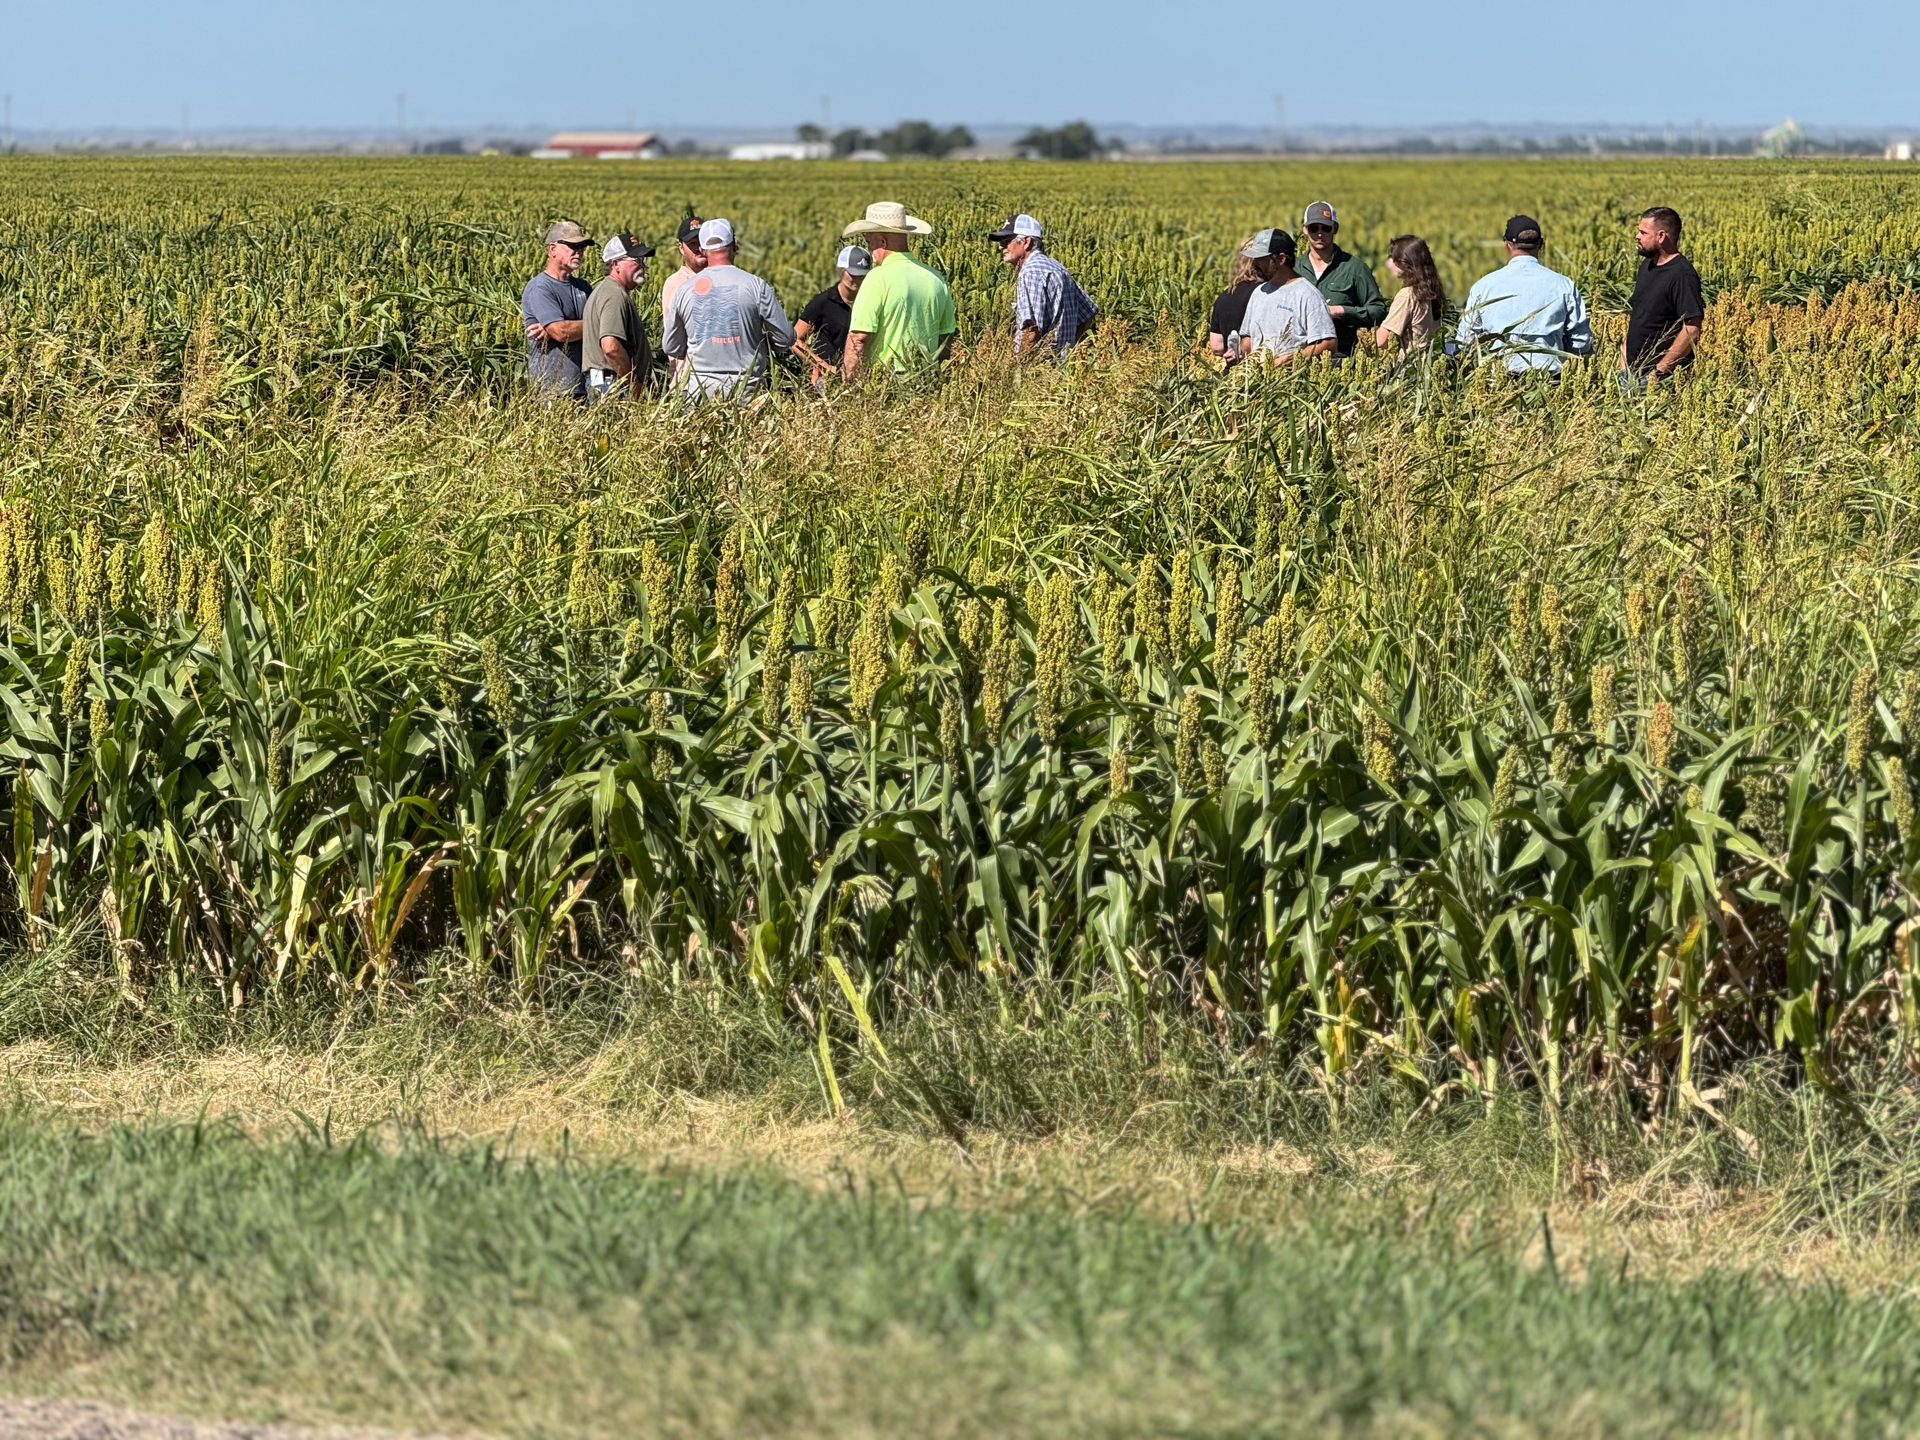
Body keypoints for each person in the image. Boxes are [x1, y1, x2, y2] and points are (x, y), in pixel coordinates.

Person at [660, 218, 796, 400]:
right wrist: (759, 342)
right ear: (735, 244)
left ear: (702, 249)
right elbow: (785, 338)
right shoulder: (756, 285)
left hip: (699, 394)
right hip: (747, 392)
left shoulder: (684, 289)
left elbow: (671, 346)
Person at [1455, 216, 1593, 374]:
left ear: (1507, 245)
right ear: (1541, 245)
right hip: (1551, 380)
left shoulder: (1484, 286)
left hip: (1499, 382)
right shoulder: (1563, 285)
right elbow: (1581, 342)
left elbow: (1464, 341)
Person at [840, 201, 957, 379]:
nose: (869, 246)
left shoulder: (877, 277)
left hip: (886, 382)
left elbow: (858, 338)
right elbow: (946, 339)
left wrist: (849, 385)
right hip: (926, 379)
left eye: (868, 240)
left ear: (882, 241)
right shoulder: (936, 279)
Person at [987, 213, 1097, 355]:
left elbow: (1031, 330)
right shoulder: (1057, 266)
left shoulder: (1030, 273)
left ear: (1026, 242)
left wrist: (1021, 369)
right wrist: (1066, 349)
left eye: (1006, 241)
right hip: (1064, 369)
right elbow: (1088, 312)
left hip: (1043, 369)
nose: (1001, 247)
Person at [1622, 207, 1704, 386]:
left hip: (1656, 381)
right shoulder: (1647, 267)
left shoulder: (1682, 274)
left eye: (1643, 232)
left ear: (1661, 236)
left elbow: (1692, 328)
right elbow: (1639, 316)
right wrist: (1622, 363)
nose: (1637, 236)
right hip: (1630, 373)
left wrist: (1659, 372)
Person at [1297, 201, 1386, 358]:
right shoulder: (1294, 269)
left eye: (1325, 228)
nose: (1319, 233)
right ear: (1305, 230)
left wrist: (1342, 311)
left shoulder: (1354, 268)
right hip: (1300, 356)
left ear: (1335, 229)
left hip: (1342, 356)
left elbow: (1378, 310)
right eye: (1313, 228)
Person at [1237, 229, 1337, 366]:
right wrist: (1243, 356)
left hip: (1289, 382)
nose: (1254, 263)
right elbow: (1248, 336)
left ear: (1281, 259)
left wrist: (1286, 360)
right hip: (1258, 381)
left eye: (1261, 259)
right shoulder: (1258, 293)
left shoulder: (1307, 295)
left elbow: (1328, 344)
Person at [521, 220, 594, 399]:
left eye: (582, 246)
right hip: (552, 389)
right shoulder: (540, 287)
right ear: (552, 249)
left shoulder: (583, 287)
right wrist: (596, 324)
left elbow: (561, 330)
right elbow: (561, 332)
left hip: (584, 387)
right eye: (573, 245)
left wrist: (562, 327)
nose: (579, 251)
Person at [581, 233, 654, 402]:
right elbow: (611, 347)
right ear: (615, 264)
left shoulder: (607, 291)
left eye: (643, 260)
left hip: (608, 383)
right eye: (636, 260)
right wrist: (633, 385)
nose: (642, 266)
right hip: (612, 385)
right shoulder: (614, 294)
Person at [793, 245, 871, 383]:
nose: (858, 279)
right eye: (853, 274)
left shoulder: (869, 301)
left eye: (862, 275)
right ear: (841, 271)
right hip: (826, 380)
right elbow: (795, 340)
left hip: (861, 379)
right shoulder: (823, 302)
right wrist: (822, 366)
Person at [1375, 235, 1446, 356]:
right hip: (1425, 365)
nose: (1390, 263)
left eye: (1393, 259)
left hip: (1407, 367)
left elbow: (1382, 341)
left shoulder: (1407, 295)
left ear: (1404, 262)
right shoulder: (1432, 292)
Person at [660, 216, 708, 384]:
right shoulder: (677, 283)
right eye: (692, 244)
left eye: (702, 242)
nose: (699, 249)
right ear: (681, 248)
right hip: (687, 380)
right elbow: (675, 340)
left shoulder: (716, 279)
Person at [1208, 236, 1261, 359]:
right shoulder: (1266, 292)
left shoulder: (1224, 296)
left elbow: (1216, 346)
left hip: (1232, 371)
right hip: (1259, 369)